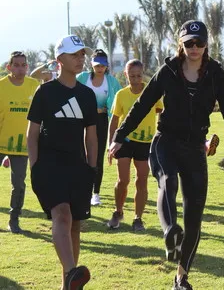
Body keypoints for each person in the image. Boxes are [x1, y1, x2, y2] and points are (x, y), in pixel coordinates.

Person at [109, 20, 224, 290]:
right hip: (165, 142)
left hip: (195, 147)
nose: (194, 48)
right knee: (168, 181)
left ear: (206, 44)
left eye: (199, 43)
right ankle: (170, 232)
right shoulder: (169, 70)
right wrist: (119, 136)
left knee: (195, 215)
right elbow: (142, 105)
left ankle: (181, 277)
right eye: (188, 43)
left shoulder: (216, 73)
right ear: (180, 44)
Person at [27, 35, 98, 290]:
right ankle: (71, 272)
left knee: (75, 224)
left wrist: (92, 168)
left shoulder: (87, 95)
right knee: (62, 215)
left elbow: (91, 136)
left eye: (82, 54)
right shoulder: (44, 92)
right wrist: (34, 168)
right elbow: (32, 134)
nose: (81, 59)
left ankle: (67, 283)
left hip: (78, 167)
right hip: (49, 164)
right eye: (75, 54)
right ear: (60, 60)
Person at [107, 59, 163, 231]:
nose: (136, 79)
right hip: (125, 141)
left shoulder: (152, 92)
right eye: (132, 76)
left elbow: (161, 113)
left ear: (143, 73)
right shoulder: (121, 95)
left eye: (138, 75)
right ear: (126, 75)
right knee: (123, 180)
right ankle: (118, 212)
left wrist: (161, 137)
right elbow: (114, 119)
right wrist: (111, 143)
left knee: (142, 181)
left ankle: (138, 218)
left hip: (146, 143)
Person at [0, 51, 40, 233]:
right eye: (16, 65)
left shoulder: (34, 85)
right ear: (8, 67)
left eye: (23, 65)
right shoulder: (1, 86)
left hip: (22, 146)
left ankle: (14, 220)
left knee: (19, 184)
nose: (20, 68)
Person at [77, 49, 121, 206]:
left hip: (101, 121)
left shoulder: (112, 82)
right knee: (82, 155)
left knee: (97, 156)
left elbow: (118, 102)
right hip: (81, 121)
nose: (100, 68)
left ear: (107, 66)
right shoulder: (82, 78)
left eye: (102, 65)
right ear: (91, 65)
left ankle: (95, 193)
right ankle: (83, 189)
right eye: (97, 65)